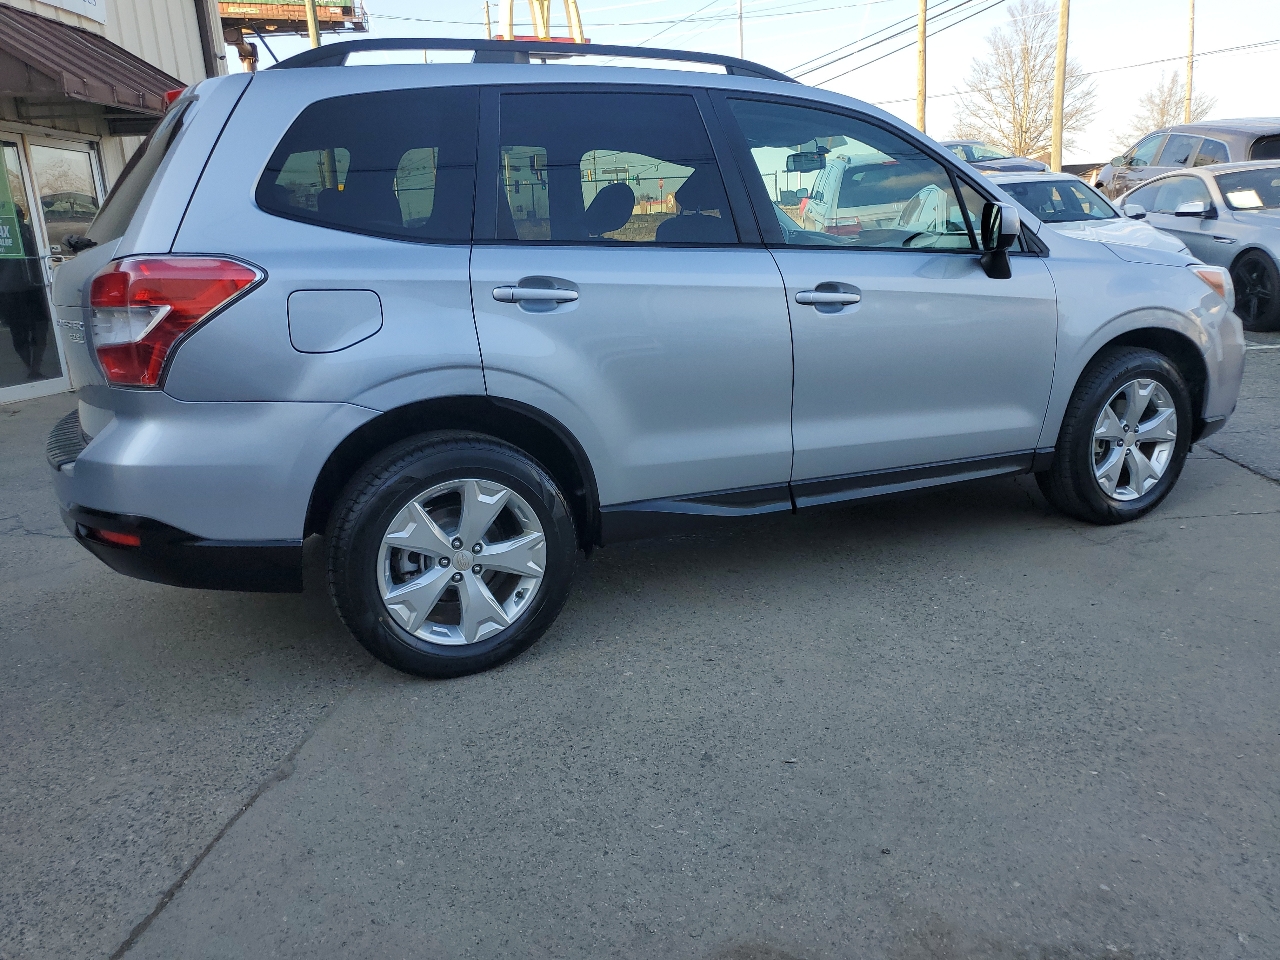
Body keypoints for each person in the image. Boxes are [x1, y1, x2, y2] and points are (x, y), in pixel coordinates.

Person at [0, 206, 50, 381]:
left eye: (20, 216)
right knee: (20, 332)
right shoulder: (7, 236)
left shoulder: (32, 231)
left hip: (33, 287)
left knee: (39, 328)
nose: (19, 220)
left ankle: (34, 368)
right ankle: (31, 368)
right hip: (11, 291)